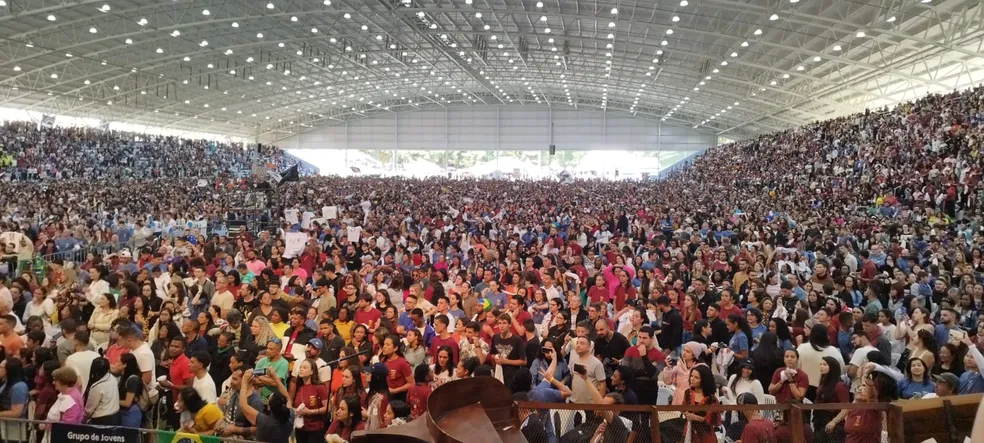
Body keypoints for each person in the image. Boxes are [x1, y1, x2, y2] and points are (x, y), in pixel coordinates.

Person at [239, 368, 294, 443]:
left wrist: (244, 382)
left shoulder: (264, 421)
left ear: (269, 405)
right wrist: (275, 377)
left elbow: (243, 406)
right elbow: (287, 397)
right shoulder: (290, 417)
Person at [796, 324, 845, 400]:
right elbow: (841, 371)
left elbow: (796, 368)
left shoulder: (802, 348)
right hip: (824, 388)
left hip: (806, 388)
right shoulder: (833, 351)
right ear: (826, 335)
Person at [813, 356, 850, 443]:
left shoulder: (839, 385)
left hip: (833, 421)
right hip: (819, 420)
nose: (821, 366)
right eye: (821, 364)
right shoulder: (822, 384)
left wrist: (834, 422)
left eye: (825, 364)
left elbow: (846, 408)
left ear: (832, 366)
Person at [292, 358, 329, 443]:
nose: (301, 369)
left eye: (304, 367)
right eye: (300, 367)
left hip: (315, 429)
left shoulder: (319, 387)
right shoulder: (299, 387)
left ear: (312, 371)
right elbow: (294, 404)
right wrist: (294, 410)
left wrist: (310, 412)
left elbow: (327, 408)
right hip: (300, 429)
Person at [682, 365, 721, 443]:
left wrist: (695, 417)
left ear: (704, 380)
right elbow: (683, 409)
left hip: (705, 435)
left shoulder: (712, 399)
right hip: (689, 431)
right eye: (691, 376)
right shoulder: (687, 393)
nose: (692, 379)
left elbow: (713, 420)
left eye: (696, 377)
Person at [568, 336, 605, 403]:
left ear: (589, 347)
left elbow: (602, 384)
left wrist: (600, 405)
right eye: (577, 343)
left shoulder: (597, 363)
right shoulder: (573, 361)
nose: (578, 345)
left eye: (582, 343)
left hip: (590, 404)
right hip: (573, 401)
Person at [83, 357, 120, 425]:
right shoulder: (112, 378)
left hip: (101, 419)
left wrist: (83, 419)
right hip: (115, 415)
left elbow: (90, 409)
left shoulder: (97, 386)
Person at [0, 357, 29, 442]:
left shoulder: (19, 387)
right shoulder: (4, 383)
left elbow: (16, 412)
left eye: (1, 367)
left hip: (14, 430)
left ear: (9, 370)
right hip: (4, 427)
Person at [117, 353, 145, 428]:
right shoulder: (123, 377)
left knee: (129, 438)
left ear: (124, 365)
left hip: (130, 414)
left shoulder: (132, 380)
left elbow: (127, 403)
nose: (116, 364)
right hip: (122, 412)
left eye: (118, 362)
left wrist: (112, 400)